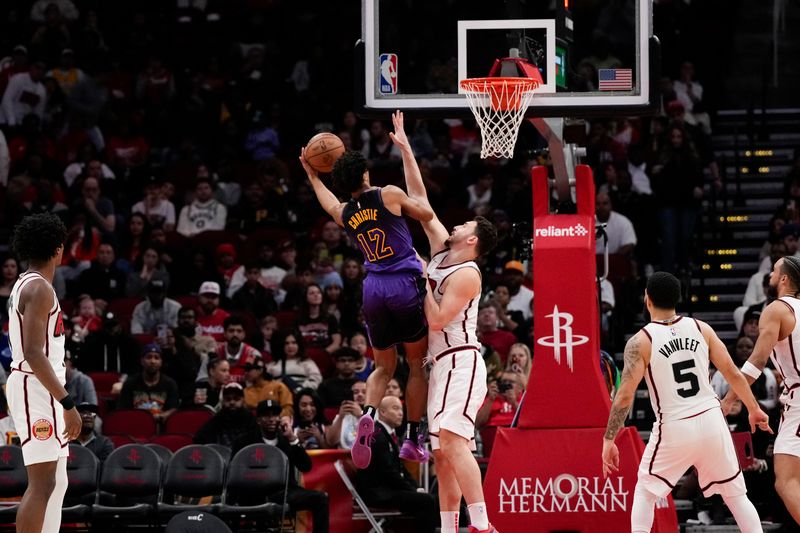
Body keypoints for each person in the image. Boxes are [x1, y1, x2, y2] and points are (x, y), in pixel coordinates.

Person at [300, 111, 435, 469]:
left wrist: (312, 175)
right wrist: (406, 152)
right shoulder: (388, 194)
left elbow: (327, 201)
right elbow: (425, 213)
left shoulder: (345, 212)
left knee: (382, 368)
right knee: (416, 366)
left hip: (373, 289)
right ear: (365, 174)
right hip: (404, 284)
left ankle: (370, 415)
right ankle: (412, 437)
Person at [602, 272, 771, 533]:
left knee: (646, 491)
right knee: (736, 496)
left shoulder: (640, 341)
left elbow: (625, 396)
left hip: (675, 425)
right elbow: (733, 374)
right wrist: (754, 408)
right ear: (677, 299)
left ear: (647, 299)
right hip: (712, 420)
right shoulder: (702, 328)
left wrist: (609, 439)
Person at [398, 109, 500, 533]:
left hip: (460, 361)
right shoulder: (442, 251)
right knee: (442, 454)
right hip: (441, 367)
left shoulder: (467, 273)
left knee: (455, 445)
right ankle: (449, 527)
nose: (455, 224)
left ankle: (481, 524)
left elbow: (438, 319)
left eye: (464, 224)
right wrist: (405, 147)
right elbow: (420, 201)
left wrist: (420, 277)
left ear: (472, 240)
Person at [6, 213, 81, 533]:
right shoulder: (40, 289)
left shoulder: (27, 282)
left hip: (39, 384)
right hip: (34, 386)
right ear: (59, 249)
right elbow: (35, 352)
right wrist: (67, 404)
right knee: (42, 481)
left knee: (57, 479)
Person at [723, 256, 800, 525]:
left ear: (784, 279)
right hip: (793, 396)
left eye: (774, 271)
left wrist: (729, 398)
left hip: (799, 399)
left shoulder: (777, 309)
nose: (769, 275)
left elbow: (757, 361)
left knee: (786, 481)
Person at [232, 400, 329, 533]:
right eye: (266, 415)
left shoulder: (286, 440)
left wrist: (292, 439)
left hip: (286, 492)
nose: (272, 419)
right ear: (258, 420)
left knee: (321, 498)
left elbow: (306, 466)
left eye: (275, 415)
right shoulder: (244, 441)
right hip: (255, 492)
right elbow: (235, 473)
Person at [355, 395, 437, 533]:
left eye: (401, 409)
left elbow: (401, 468)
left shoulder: (387, 433)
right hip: (378, 493)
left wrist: (416, 488)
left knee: (429, 499)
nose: (400, 413)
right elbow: (387, 472)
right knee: (426, 501)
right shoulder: (376, 435)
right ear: (382, 412)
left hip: (389, 489)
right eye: (395, 408)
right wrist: (411, 490)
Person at [118, 343, 180, 426]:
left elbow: (173, 408)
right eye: (149, 357)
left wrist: (161, 416)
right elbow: (124, 409)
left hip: (160, 427)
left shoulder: (170, 384)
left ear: (161, 362)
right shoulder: (130, 383)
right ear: (142, 361)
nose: (152, 361)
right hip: (134, 425)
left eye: (156, 358)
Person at [194, 382, 258, 447]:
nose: (232, 402)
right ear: (223, 401)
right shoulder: (218, 419)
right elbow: (199, 438)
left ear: (243, 400)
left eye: (236, 399)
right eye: (228, 399)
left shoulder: (250, 418)